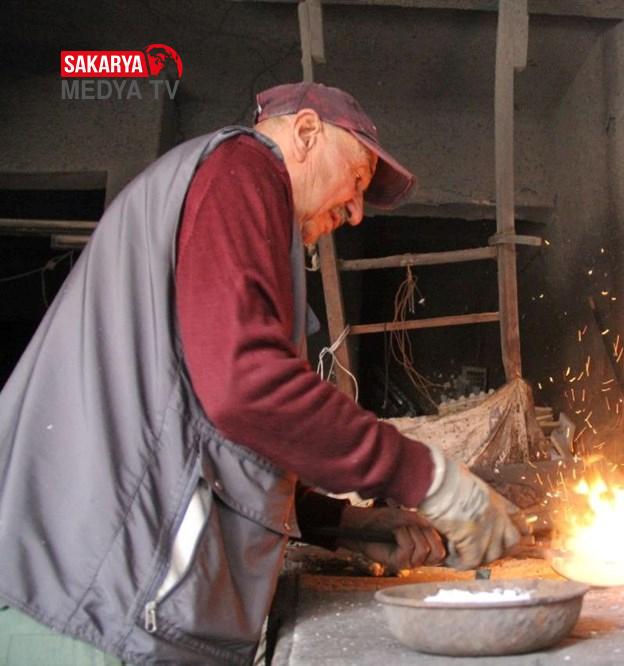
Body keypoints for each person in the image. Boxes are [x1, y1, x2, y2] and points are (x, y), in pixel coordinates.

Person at [0, 82, 525, 665]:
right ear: (306, 132)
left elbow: (208, 440)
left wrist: (343, 524)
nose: (355, 212)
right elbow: (245, 387)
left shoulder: (223, 196)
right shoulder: (243, 168)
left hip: (98, 604)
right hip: (94, 610)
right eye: (356, 179)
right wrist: (431, 478)